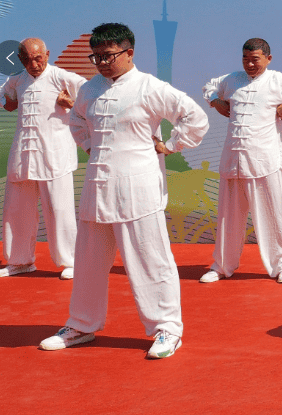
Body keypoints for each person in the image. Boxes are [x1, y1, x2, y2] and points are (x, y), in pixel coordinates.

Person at [38, 23, 208, 359]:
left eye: (109, 55)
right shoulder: (88, 89)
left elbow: (195, 116)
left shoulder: (150, 87)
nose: (102, 62)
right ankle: (81, 324)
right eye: (97, 56)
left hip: (139, 188)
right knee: (87, 261)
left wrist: (171, 145)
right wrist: (88, 144)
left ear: (129, 52)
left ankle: (167, 330)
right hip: (97, 188)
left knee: (150, 260)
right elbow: (76, 122)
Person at [199, 38, 282, 284]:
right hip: (233, 158)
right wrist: (215, 101)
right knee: (228, 217)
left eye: (255, 59)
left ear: (268, 58)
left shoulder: (279, 81)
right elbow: (209, 86)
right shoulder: (231, 80)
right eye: (245, 59)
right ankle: (222, 265)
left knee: (273, 215)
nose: (249, 64)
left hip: (264, 159)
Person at [0, 38, 86, 279]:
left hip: (55, 153)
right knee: (17, 209)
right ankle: (20, 261)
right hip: (23, 153)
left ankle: (71, 262)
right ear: (20, 59)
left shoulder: (62, 77)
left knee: (59, 208)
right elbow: (1, 96)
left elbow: (92, 104)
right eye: (27, 59)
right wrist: (9, 102)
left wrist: (71, 105)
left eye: (38, 58)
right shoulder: (17, 79)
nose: (34, 64)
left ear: (47, 54)